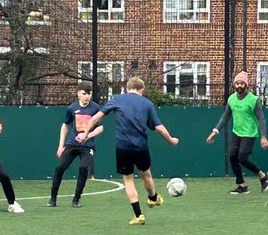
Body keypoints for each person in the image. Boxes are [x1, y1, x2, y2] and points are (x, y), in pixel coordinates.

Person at [77, 76, 179, 225]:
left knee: (128, 179)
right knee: (146, 173)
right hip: (141, 147)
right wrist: (171, 140)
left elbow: (94, 119)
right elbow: (158, 127)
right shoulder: (147, 104)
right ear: (142, 90)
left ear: (127, 88)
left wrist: (85, 134)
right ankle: (153, 198)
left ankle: (138, 215)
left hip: (123, 147)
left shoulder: (117, 99)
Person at [206, 71, 268, 194]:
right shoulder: (231, 99)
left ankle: (262, 176)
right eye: (237, 83)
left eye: (242, 83)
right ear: (234, 85)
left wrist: (263, 136)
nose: (239, 86)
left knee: (242, 158)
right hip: (236, 132)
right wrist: (215, 131)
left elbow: (261, 118)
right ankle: (241, 185)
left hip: (249, 133)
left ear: (246, 85)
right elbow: (225, 116)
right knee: (232, 157)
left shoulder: (253, 100)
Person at [48, 83, 103, 207]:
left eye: (89, 94)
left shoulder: (95, 108)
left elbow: (101, 128)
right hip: (72, 144)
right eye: (84, 93)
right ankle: (52, 199)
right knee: (60, 168)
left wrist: (87, 135)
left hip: (87, 146)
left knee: (83, 168)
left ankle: (76, 200)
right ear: (78, 93)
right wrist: (61, 146)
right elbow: (65, 125)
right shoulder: (72, 108)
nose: (87, 96)